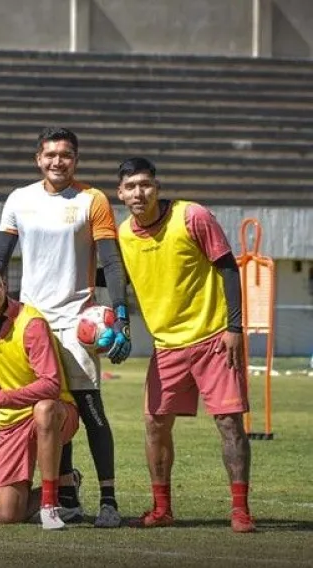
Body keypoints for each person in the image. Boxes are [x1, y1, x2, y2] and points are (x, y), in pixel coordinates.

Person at [0, 127, 131, 528]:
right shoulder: (20, 199)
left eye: (66, 155)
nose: (58, 161)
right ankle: (66, 495)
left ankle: (109, 500)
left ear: (76, 160)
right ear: (38, 159)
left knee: (90, 411)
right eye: (50, 154)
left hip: (77, 323)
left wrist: (120, 315)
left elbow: (111, 261)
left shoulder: (93, 200)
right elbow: (0, 257)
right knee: (51, 411)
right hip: (32, 323)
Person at [115, 157, 254, 533]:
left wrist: (235, 327)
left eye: (145, 184)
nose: (138, 192)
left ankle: (240, 510)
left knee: (229, 423)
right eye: (130, 187)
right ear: (121, 193)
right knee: (154, 424)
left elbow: (228, 267)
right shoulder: (124, 235)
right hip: (167, 347)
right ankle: (162, 509)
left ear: (157, 187)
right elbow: (116, 280)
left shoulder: (191, 216)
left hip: (214, 338)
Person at [0, 256, 80, 530]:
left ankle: (50, 506)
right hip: (12, 421)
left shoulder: (31, 323)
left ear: (5, 284)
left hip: (56, 412)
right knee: (7, 514)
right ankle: (68, 488)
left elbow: (50, 384)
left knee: (44, 408)